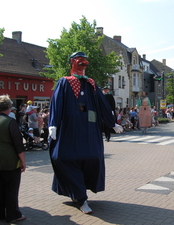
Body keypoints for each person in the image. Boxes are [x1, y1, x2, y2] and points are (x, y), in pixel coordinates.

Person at [48, 51, 123, 214]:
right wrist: (52, 124)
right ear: (72, 62)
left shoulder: (91, 84)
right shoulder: (64, 82)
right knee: (63, 158)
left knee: (93, 158)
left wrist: (112, 123)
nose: (83, 62)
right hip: (69, 130)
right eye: (79, 60)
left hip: (89, 130)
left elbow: (103, 104)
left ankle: (79, 193)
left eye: (85, 60)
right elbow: (56, 103)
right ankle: (81, 198)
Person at [0, 95, 26, 223]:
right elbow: (18, 144)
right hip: (9, 161)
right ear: (8, 107)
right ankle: (13, 215)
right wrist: (23, 161)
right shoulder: (10, 122)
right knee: (11, 189)